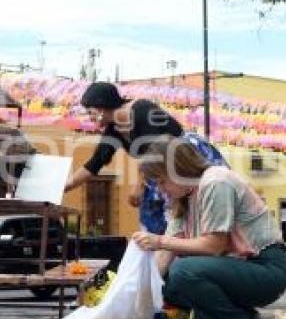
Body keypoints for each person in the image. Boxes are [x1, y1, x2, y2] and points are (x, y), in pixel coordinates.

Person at [132, 136, 286, 319]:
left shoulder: (216, 182)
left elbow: (214, 246)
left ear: (177, 169)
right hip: (238, 268)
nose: (161, 190)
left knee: (184, 271)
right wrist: (140, 293)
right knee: (168, 283)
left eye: (161, 181)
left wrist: (159, 241)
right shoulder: (183, 198)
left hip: (266, 268)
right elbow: (164, 257)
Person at [63, 82, 225, 234]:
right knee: (154, 217)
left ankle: (191, 246)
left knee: (188, 207)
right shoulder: (114, 130)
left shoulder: (142, 110)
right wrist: (64, 186)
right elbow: (94, 164)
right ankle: (164, 251)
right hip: (158, 171)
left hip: (182, 159)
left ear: (101, 108)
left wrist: (139, 186)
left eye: (90, 111)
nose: (89, 117)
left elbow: (155, 150)